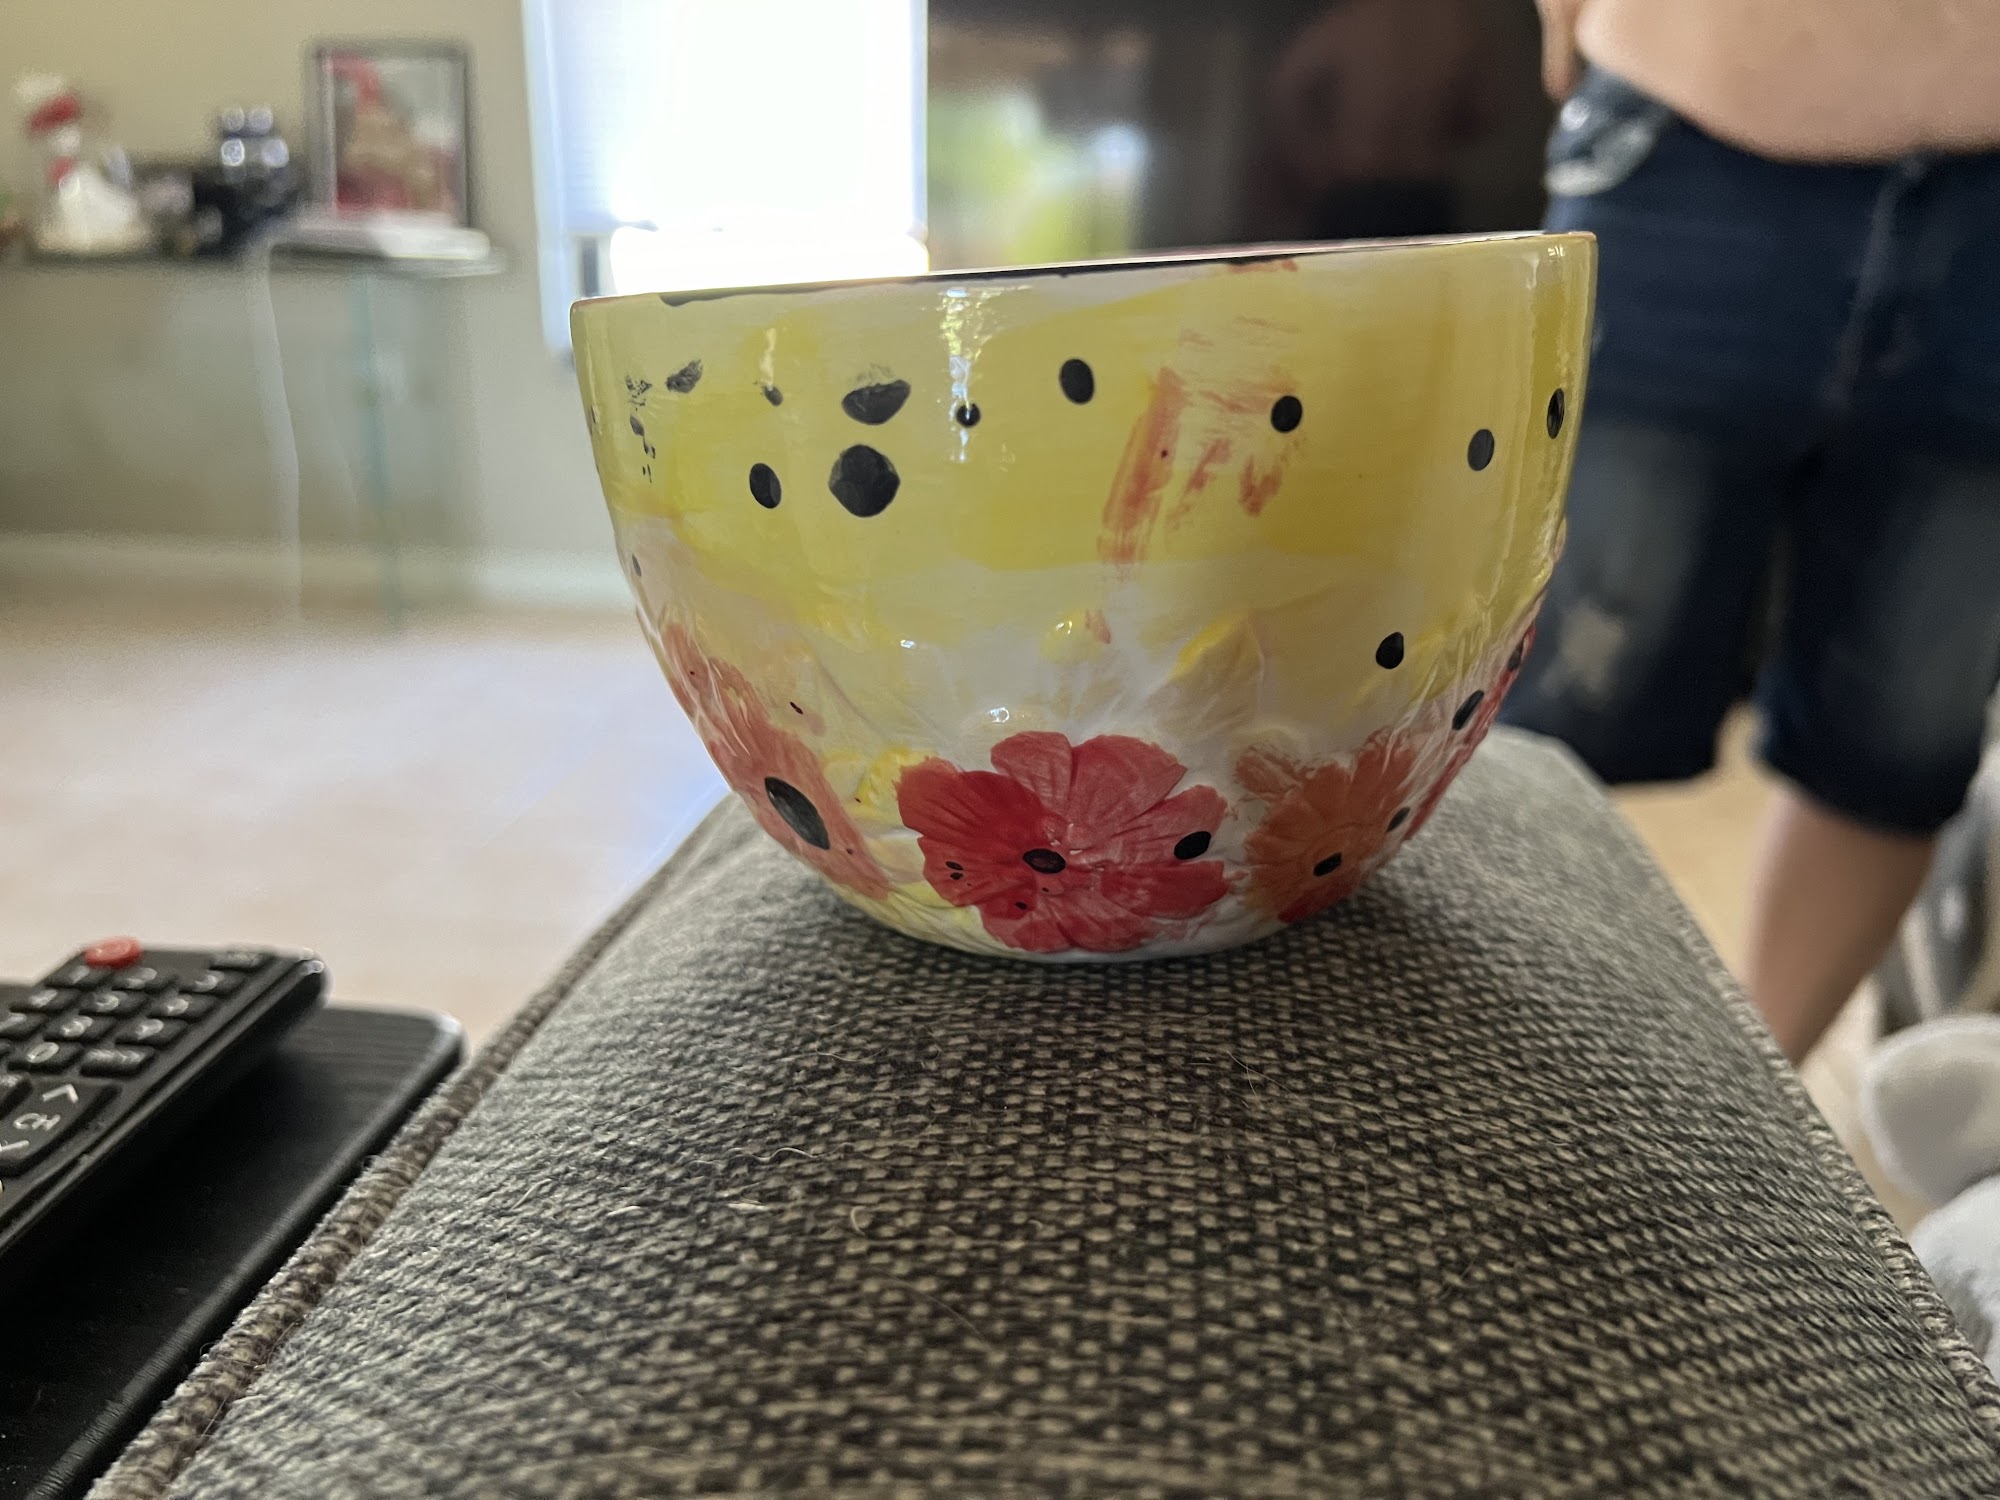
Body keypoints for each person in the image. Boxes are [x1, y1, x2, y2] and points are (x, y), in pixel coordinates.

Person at [1504, 0, 2000, 1061]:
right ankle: (1489, 1101)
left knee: (1893, 741)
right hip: (1694, 110)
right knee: (1524, 713)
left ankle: (1743, 1116)